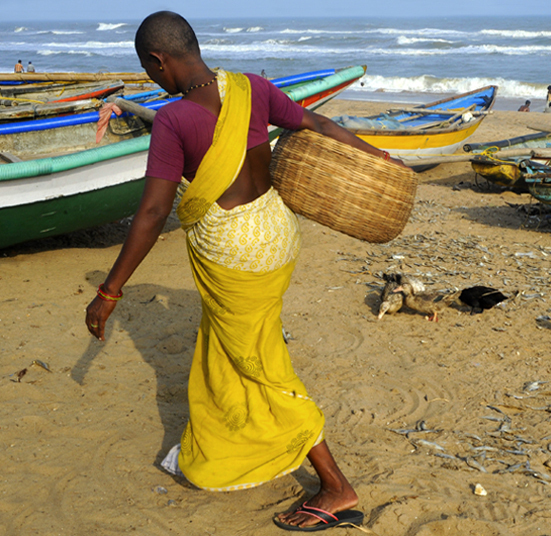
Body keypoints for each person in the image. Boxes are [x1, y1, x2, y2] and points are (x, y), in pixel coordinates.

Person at [84, 11, 404, 531]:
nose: (150, 78)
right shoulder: (252, 88)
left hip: (235, 254)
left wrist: (110, 289)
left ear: (157, 61)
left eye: (148, 69)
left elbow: (151, 213)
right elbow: (319, 124)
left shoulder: (173, 120)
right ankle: (233, 443)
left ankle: (335, 486)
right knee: (236, 346)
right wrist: (379, 156)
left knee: (263, 364)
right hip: (277, 235)